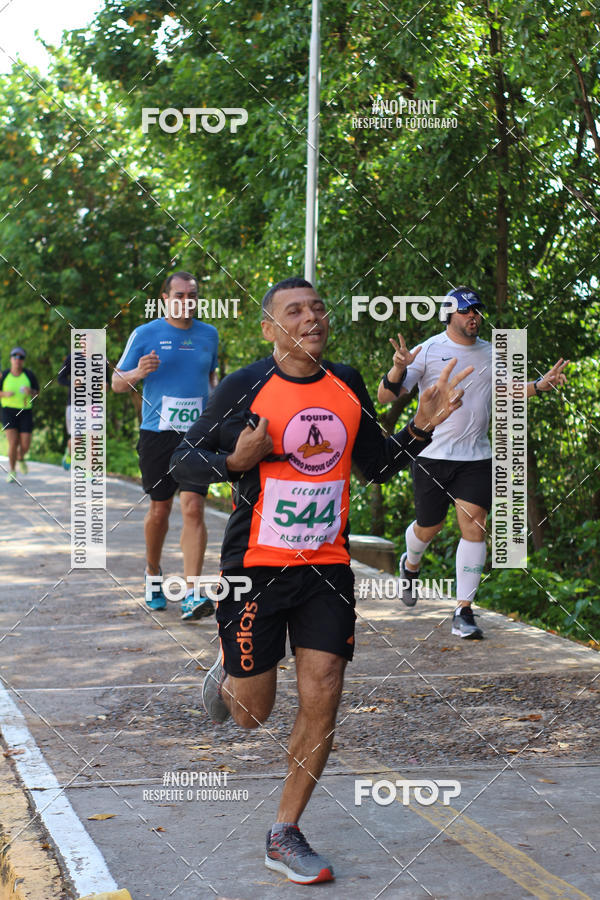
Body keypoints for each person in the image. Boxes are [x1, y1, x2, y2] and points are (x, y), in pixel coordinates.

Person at [170, 276, 473, 884]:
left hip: (326, 566)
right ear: (269, 328)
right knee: (251, 713)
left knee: (325, 689)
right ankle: (230, 671)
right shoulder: (243, 386)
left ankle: (285, 830)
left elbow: (376, 467)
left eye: (316, 308)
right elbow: (179, 461)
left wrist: (421, 426)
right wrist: (234, 461)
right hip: (255, 567)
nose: (311, 318)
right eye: (294, 311)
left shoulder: (346, 382)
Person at [377, 286, 569, 639]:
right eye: (466, 311)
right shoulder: (428, 350)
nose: (473, 316)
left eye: (476, 310)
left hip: (476, 457)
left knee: (475, 525)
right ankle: (411, 561)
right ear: (448, 315)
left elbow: (507, 389)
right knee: (429, 527)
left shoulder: (491, 352)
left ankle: (463, 611)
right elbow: (386, 396)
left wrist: (539, 386)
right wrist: (397, 368)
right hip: (431, 454)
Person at [112, 271, 219, 619]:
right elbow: (116, 383)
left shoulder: (209, 334)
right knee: (160, 510)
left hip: (198, 435)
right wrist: (138, 373)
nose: (187, 301)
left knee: (193, 507)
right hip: (157, 434)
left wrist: (219, 411)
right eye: (179, 295)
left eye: (192, 295)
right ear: (165, 299)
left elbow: (211, 378)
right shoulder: (145, 334)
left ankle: (191, 593)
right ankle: (152, 572)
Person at [1, 347, 39, 483]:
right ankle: (12, 471)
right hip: (8, 411)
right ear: (11, 359)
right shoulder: (4, 375)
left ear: (23, 360)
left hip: (25, 412)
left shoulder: (29, 375)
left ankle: (21, 457)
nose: (18, 360)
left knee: (25, 444)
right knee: (13, 442)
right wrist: (4, 394)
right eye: (15, 357)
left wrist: (31, 392)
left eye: (21, 357)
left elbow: (37, 393)